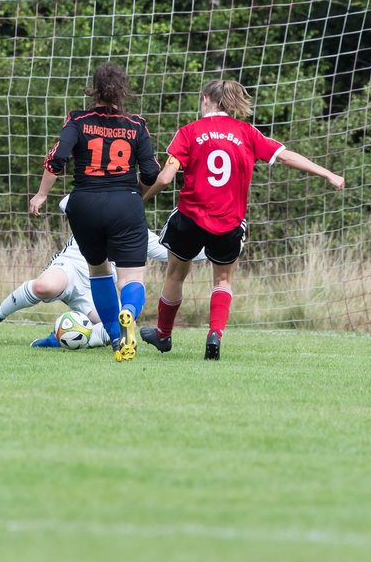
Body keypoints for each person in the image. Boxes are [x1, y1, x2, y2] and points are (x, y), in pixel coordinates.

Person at [141, 79, 344, 360]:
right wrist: (327, 173)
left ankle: (163, 334)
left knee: (176, 273)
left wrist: (141, 199)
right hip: (228, 221)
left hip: (190, 217)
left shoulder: (189, 132)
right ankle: (215, 334)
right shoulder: (247, 132)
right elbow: (285, 157)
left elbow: (165, 178)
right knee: (223, 279)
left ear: (205, 100)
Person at [29, 63, 158, 362]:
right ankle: (129, 312)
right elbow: (152, 171)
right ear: (123, 89)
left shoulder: (77, 119)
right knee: (130, 277)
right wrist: (132, 194)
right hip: (124, 201)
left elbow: (58, 157)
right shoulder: (137, 124)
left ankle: (115, 337)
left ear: (94, 89)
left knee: (98, 270)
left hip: (84, 202)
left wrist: (42, 194)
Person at [0, 197, 206, 348]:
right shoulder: (90, 200)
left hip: (97, 294)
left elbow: (177, 252)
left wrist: (213, 250)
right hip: (71, 268)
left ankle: (60, 339)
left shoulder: (138, 234)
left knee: (120, 328)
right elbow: (66, 201)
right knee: (44, 286)